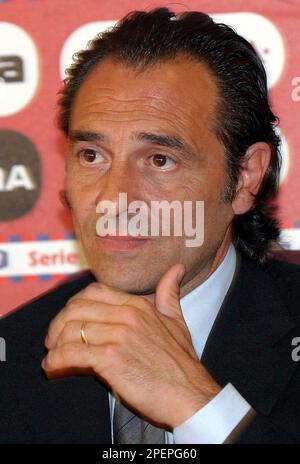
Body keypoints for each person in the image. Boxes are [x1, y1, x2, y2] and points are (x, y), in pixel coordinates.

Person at [1, 7, 300, 444]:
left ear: (245, 176)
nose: (112, 200)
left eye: (160, 160)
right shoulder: (14, 354)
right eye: (92, 156)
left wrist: (197, 406)